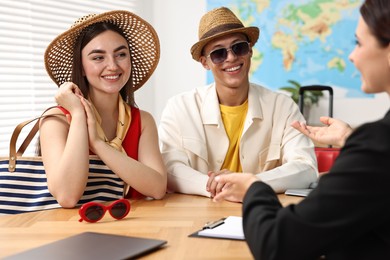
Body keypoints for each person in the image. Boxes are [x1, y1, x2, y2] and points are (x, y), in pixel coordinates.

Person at [213, 0, 390, 258]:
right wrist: (351, 139)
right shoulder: (377, 146)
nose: (353, 56)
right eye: (219, 53)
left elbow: (277, 243)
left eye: (359, 43)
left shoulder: (378, 145)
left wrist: (254, 188)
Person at [158, 7, 318, 200]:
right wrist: (215, 187)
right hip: (196, 214)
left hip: (263, 212)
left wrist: (250, 184)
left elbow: (306, 168)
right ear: (205, 63)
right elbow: (169, 168)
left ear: (250, 50)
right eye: (218, 53)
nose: (231, 57)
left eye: (239, 47)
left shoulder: (283, 107)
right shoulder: (180, 107)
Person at [40, 10, 167, 208]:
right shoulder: (56, 121)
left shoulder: (142, 121)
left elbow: (157, 188)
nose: (113, 65)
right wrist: (79, 115)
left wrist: (98, 144)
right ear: (81, 67)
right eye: (98, 58)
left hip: (136, 227)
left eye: (121, 54)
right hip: (68, 232)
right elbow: (67, 196)